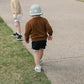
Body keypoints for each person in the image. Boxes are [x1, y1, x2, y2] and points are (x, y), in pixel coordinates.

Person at [24, 4, 53, 72]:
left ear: (31, 13)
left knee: (35, 52)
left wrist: (26, 39)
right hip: (43, 39)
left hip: (35, 40)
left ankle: (38, 66)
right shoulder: (44, 20)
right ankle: (39, 60)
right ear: (40, 12)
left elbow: (27, 32)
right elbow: (49, 28)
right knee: (41, 49)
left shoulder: (29, 23)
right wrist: (50, 34)